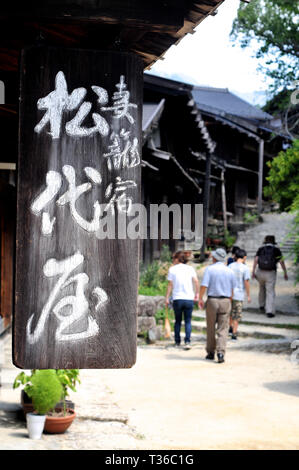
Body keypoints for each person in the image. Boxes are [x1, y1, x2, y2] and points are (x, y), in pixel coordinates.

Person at [199, 248, 236, 363]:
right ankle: (220, 353)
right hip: (225, 300)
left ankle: (210, 352)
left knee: (210, 327)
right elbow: (232, 289)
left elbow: (204, 285)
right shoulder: (230, 271)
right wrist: (229, 300)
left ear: (215, 258)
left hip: (212, 300)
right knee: (223, 328)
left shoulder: (209, 269)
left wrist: (200, 298)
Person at [166, 251, 199, 350]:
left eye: (173, 258)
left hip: (177, 298)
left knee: (178, 321)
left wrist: (167, 297)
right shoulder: (190, 269)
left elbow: (170, 285)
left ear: (177, 259)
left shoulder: (172, 269)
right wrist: (197, 294)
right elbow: (196, 281)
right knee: (188, 321)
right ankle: (187, 341)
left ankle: (177, 341)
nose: (172, 260)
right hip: (189, 298)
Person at [252, 235, 288, 318]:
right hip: (270, 273)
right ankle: (269, 311)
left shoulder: (260, 249)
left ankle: (261, 305)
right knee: (270, 291)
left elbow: (256, 260)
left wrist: (253, 272)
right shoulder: (276, 250)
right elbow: (281, 262)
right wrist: (285, 272)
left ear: (265, 241)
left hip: (260, 271)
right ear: (273, 242)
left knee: (261, 288)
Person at [228, 248, 251, 340]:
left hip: (229, 294)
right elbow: (246, 282)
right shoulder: (245, 268)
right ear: (244, 257)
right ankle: (234, 334)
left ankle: (229, 328)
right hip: (239, 294)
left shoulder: (230, 266)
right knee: (236, 315)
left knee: (229, 313)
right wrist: (248, 295)